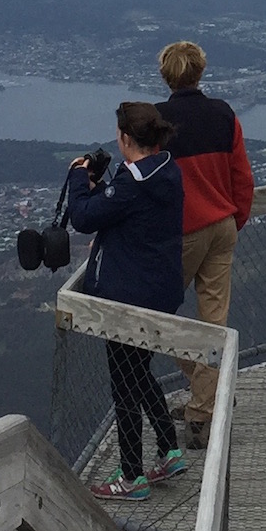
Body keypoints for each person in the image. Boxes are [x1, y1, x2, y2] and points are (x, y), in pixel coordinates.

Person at [67, 99, 188, 500]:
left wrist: (77, 177)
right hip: (159, 292)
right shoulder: (166, 171)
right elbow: (122, 209)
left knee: (124, 383)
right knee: (139, 371)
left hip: (126, 300)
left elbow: (84, 218)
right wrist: (105, 187)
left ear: (123, 137)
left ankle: (132, 476)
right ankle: (170, 449)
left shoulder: (133, 183)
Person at [159, 40, 257, 449]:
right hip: (222, 226)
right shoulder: (223, 114)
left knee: (156, 313)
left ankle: (206, 393)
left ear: (167, 75)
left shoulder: (157, 122)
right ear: (200, 71)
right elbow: (242, 177)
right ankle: (206, 399)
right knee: (214, 319)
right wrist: (236, 218)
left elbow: (148, 184)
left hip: (181, 233)